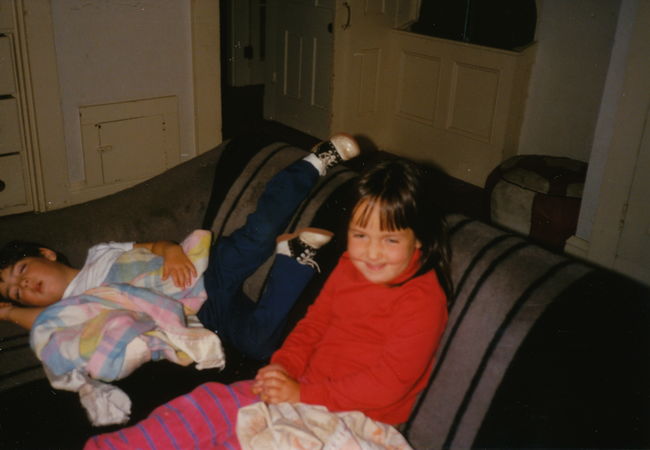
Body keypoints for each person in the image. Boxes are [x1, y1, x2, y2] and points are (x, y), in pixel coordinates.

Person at [85, 157, 451, 449]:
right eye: (360, 235)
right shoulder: (347, 265)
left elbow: (387, 384)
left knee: (240, 440)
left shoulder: (424, 299)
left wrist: (302, 393)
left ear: (419, 240)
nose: (371, 252)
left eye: (389, 240)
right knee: (209, 404)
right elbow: (314, 324)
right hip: (303, 387)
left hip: (353, 414)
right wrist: (283, 368)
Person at [0, 133, 361, 361]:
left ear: (45, 254)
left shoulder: (100, 253)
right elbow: (42, 323)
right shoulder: (72, 311)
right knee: (259, 347)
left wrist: (171, 252)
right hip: (202, 314)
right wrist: (5, 312)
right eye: (17, 292)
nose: (25, 286)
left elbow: (157, 244)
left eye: (22, 271)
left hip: (209, 269)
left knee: (261, 230)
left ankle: (315, 162)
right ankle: (292, 258)